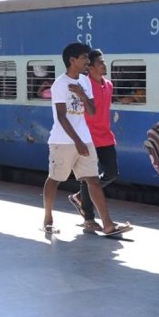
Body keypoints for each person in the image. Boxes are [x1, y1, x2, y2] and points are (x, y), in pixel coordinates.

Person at [41, 42, 131, 237]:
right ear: (72, 60)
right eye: (84, 58)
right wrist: (78, 141)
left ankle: (108, 224)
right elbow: (62, 117)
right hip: (63, 141)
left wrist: (81, 94)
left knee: (93, 181)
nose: (87, 62)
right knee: (55, 179)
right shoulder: (60, 84)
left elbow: (91, 111)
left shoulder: (84, 81)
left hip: (84, 138)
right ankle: (48, 218)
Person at [68, 49, 119, 232]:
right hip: (87, 136)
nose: (104, 65)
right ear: (90, 67)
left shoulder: (109, 85)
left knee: (112, 172)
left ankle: (80, 197)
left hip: (105, 136)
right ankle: (89, 219)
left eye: (104, 61)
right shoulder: (84, 84)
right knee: (89, 177)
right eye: (100, 62)